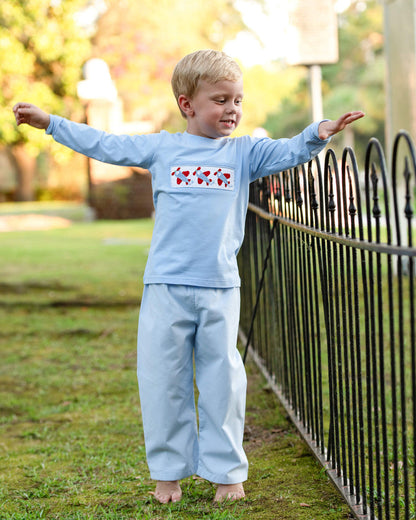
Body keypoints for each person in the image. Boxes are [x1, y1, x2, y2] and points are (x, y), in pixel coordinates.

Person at [13, 49, 364, 505]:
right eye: (221, 100)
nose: (232, 110)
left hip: (219, 288)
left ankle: (227, 475)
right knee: (163, 380)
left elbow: (287, 150)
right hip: (166, 288)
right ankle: (168, 474)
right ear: (187, 104)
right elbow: (105, 142)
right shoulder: (163, 148)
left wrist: (319, 133)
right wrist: (51, 123)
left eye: (237, 100)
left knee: (223, 382)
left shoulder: (244, 153)